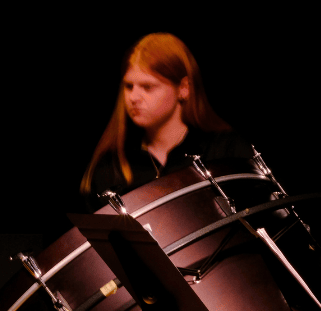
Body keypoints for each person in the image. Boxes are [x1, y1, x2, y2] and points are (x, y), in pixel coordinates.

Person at [81, 32, 252, 205]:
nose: (133, 97)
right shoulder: (112, 166)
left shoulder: (225, 150)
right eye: (129, 86)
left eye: (147, 87)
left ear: (183, 88)